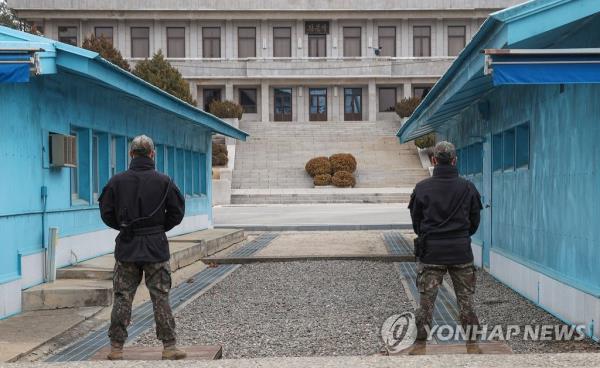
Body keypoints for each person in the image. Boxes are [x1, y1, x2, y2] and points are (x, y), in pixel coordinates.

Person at [99, 135, 186, 360]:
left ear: (130, 154)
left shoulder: (116, 182)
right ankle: (169, 347)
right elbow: (177, 212)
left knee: (122, 296)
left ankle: (116, 348)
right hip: (155, 247)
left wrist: (124, 228)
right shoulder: (165, 181)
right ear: (152, 154)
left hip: (127, 246)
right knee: (160, 296)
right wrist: (158, 228)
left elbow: (106, 213)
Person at [408, 141, 483, 353]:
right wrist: (460, 235)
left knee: (426, 303)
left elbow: (417, 223)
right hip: (461, 251)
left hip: (431, 252)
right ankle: (472, 344)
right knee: (466, 301)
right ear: (454, 160)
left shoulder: (422, 188)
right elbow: (474, 221)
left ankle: (420, 343)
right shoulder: (468, 187)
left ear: (433, 160)